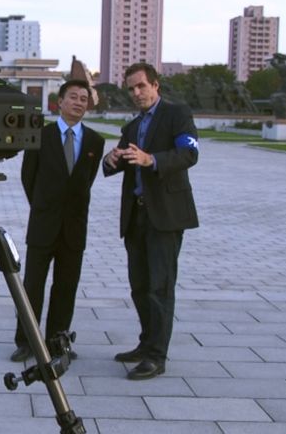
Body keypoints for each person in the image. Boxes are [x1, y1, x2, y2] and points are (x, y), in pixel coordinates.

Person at [102, 62, 199, 381]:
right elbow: (117, 163)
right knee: (140, 286)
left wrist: (152, 159)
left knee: (160, 286)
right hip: (136, 215)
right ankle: (146, 344)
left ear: (156, 85)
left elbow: (189, 154)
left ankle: (157, 356)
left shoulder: (177, 114)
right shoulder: (131, 127)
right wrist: (111, 159)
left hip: (166, 215)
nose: (136, 93)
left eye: (141, 86)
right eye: (131, 89)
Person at [10, 79, 105, 362]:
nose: (78, 102)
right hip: (43, 225)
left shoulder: (94, 142)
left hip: (74, 228)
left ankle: (57, 341)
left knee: (66, 286)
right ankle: (26, 341)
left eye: (84, 99)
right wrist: (43, 207)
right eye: (73, 97)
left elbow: (85, 181)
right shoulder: (40, 135)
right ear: (60, 102)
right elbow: (29, 178)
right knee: (33, 286)